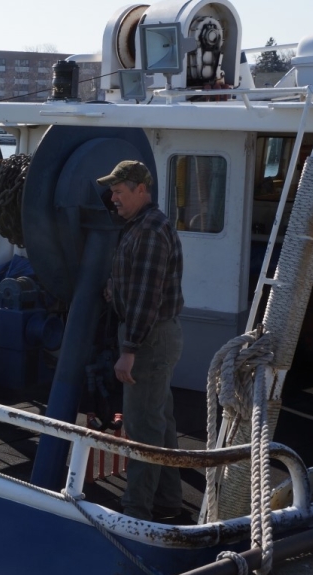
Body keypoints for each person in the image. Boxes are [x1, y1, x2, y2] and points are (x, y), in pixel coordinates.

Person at [97, 160, 185, 521]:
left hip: (146, 341)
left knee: (143, 428)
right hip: (154, 336)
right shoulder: (140, 226)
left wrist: (128, 351)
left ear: (142, 190)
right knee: (159, 422)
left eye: (119, 191)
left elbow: (146, 299)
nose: (113, 198)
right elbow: (135, 284)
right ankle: (167, 502)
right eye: (112, 191)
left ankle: (136, 512)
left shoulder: (148, 231)